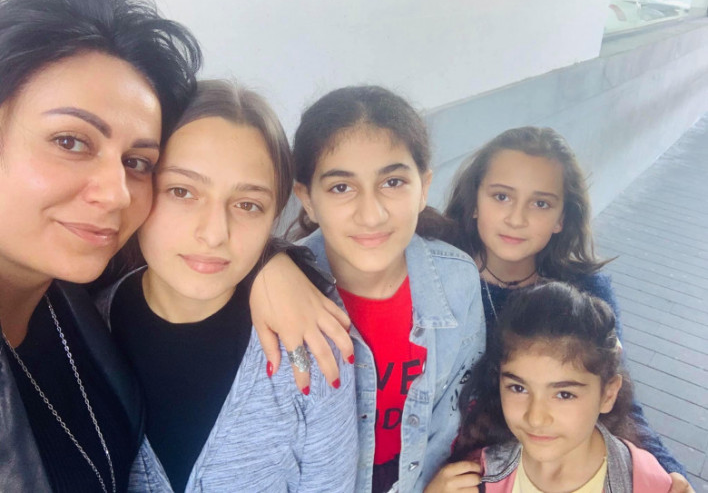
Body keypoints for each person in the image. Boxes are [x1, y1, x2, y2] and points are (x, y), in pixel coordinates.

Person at [100, 80, 357, 492]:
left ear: (274, 216)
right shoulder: (80, 331)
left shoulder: (310, 338)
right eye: (182, 191)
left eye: (248, 205)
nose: (215, 233)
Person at [0, 0, 201, 492]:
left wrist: (274, 268)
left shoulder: (80, 294)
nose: (117, 194)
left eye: (137, 162)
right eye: (71, 142)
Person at [441, 126, 691, 490]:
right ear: (474, 201)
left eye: (540, 203)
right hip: (454, 470)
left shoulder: (584, 292)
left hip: (542, 466)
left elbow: (614, 392)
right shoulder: (436, 273)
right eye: (501, 196)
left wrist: (668, 472)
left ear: (562, 217)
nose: (516, 218)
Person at [290, 85, 486, 493]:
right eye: (341, 187)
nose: (371, 214)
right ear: (307, 199)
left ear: (424, 187)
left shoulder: (457, 281)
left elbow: (456, 407)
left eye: (393, 182)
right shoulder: (279, 292)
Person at [426, 282, 672, 492]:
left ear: (608, 394)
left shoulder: (648, 484)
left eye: (564, 394)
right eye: (518, 388)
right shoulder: (474, 476)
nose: (536, 417)